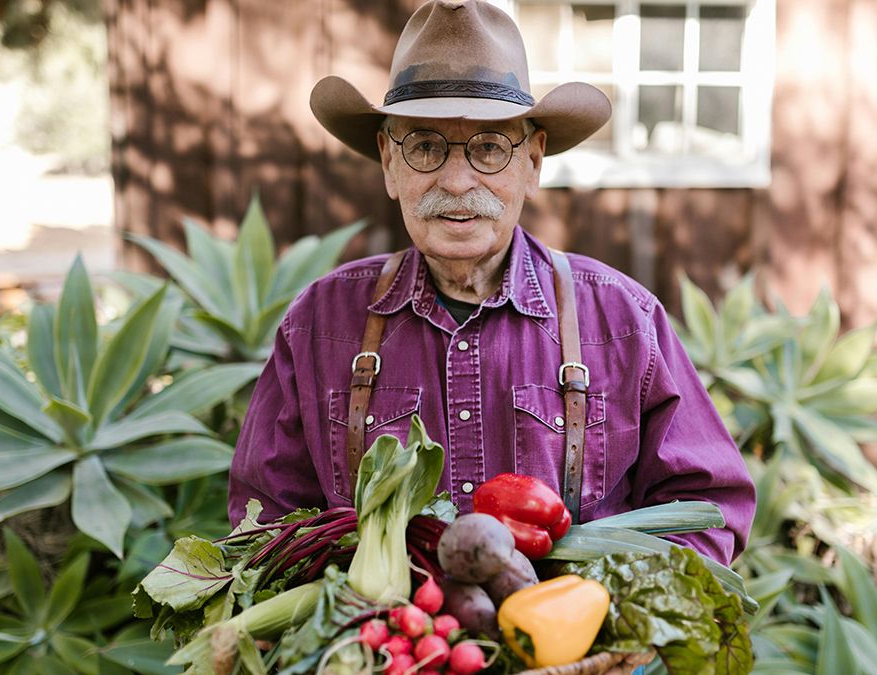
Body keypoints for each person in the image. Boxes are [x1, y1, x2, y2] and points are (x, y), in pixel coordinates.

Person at [228, 0, 755, 569]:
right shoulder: (319, 325)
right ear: (388, 163)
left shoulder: (624, 322)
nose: (456, 183)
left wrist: (615, 630)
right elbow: (266, 526)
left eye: (489, 147)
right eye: (425, 146)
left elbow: (709, 509)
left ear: (532, 162)